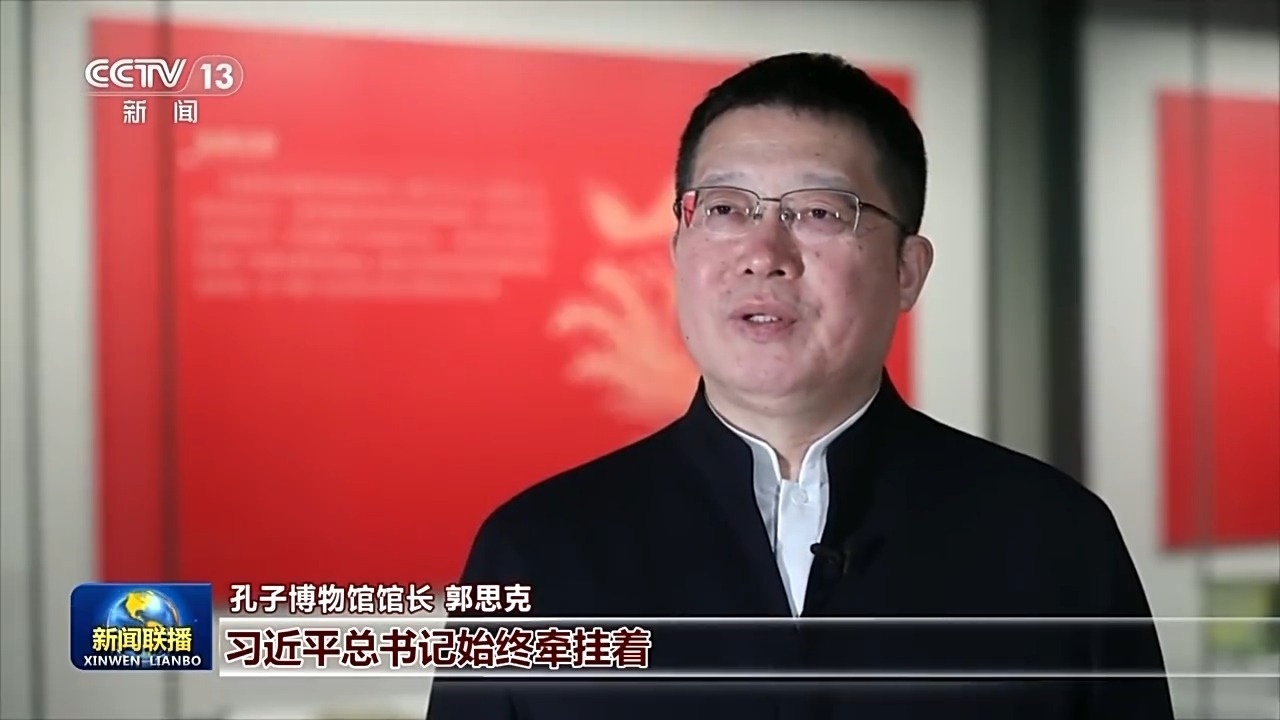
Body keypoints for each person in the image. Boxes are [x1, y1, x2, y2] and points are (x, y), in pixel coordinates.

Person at [426, 52, 1174, 720]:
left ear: (907, 270)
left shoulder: (1052, 539)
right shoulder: (535, 550)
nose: (764, 253)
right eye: (725, 209)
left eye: (819, 212)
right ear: (679, 248)